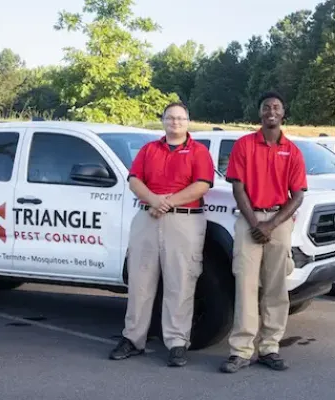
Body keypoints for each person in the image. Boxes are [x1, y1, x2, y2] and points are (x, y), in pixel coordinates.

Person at [109, 102, 215, 367]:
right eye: (170, 118)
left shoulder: (199, 151)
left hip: (184, 222)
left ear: (188, 121)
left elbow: (202, 185)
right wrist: (154, 200)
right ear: (163, 120)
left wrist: (167, 202)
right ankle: (133, 339)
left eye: (180, 118)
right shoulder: (148, 149)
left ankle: (177, 343)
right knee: (140, 282)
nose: (175, 122)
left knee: (180, 284)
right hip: (147, 218)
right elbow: (134, 180)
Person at [219, 92, 307, 373]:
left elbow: (298, 195)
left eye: (276, 107)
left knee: (275, 287)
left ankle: (270, 347)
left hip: (279, 222)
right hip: (249, 219)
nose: (271, 111)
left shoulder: (292, 151)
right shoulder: (244, 145)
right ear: (260, 113)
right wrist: (256, 223)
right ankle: (241, 350)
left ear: (283, 114)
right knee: (245, 286)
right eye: (266, 107)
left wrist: (270, 225)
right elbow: (237, 187)